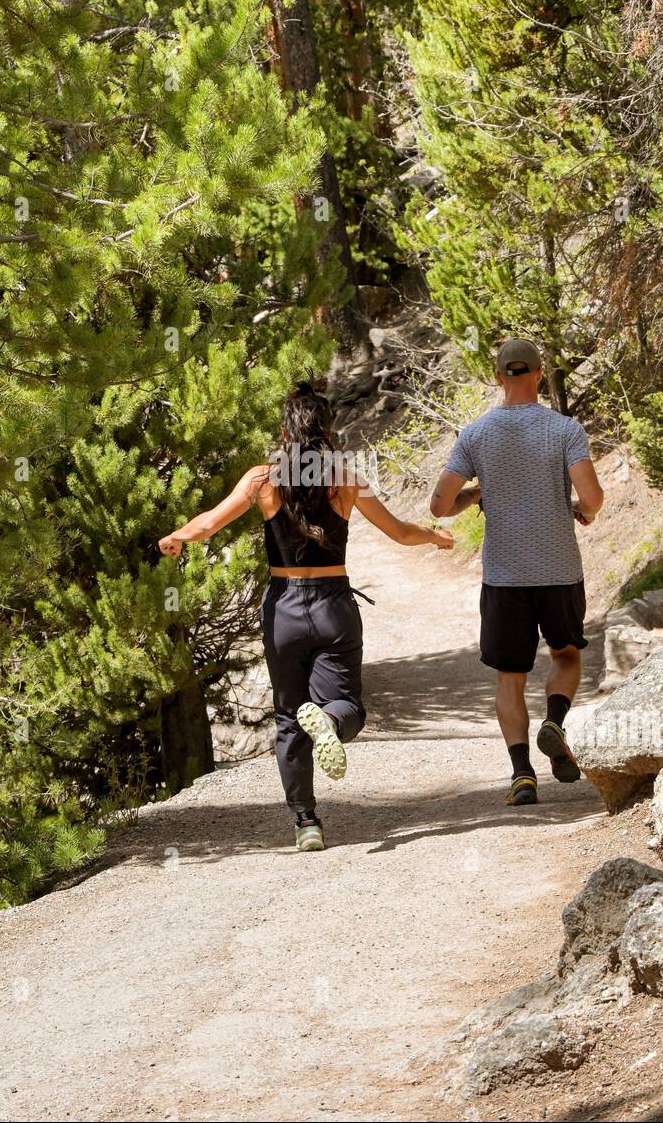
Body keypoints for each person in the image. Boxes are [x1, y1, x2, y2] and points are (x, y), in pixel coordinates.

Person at [159, 381, 453, 850]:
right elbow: (398, 532)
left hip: (284, 609)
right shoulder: (345, 477)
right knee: (348, 706)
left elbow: (210, 522)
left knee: (287, 716)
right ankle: (330, 725)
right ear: (329, 431)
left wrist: (178, 536)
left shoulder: (263, 479)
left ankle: (306, 823)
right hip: (334, 604)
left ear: (284, 431)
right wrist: (434, 537)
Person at [430, 339, 604, 806]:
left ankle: (522, 775)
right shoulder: (565, 429)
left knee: (510, 676)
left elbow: (440, 505)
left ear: (497, 375)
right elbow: (593, 497)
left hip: (504, 576)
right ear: (540, 374)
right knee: (566, 654)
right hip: (559, 569)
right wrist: (578, 509)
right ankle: (554, 721)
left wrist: (474, 495)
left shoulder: (475, 434)